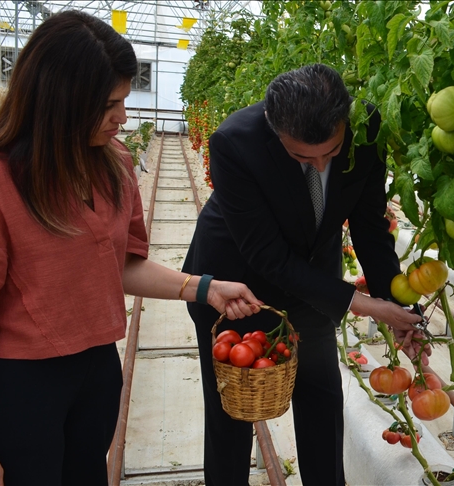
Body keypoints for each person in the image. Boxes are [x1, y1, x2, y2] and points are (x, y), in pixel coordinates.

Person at [0, 11, 262, 485]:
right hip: (19, 385)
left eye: (124, 99)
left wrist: (205, 288)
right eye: (108, 104)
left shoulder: (112, 166)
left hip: (97, 369)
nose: (122, 117)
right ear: (58, 102)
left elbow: (117, 265)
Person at [183, 63, 430, 485]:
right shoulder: (234, 141)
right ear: (272, 126)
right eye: (300, 156)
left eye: (331, 154)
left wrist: (402, 307)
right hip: (236, 287)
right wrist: (361, 304)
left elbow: (369, 226)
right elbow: (268, 255)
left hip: (314, 282)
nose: (318, 168)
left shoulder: (367, 127)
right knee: (234, 413)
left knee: (321, 399)